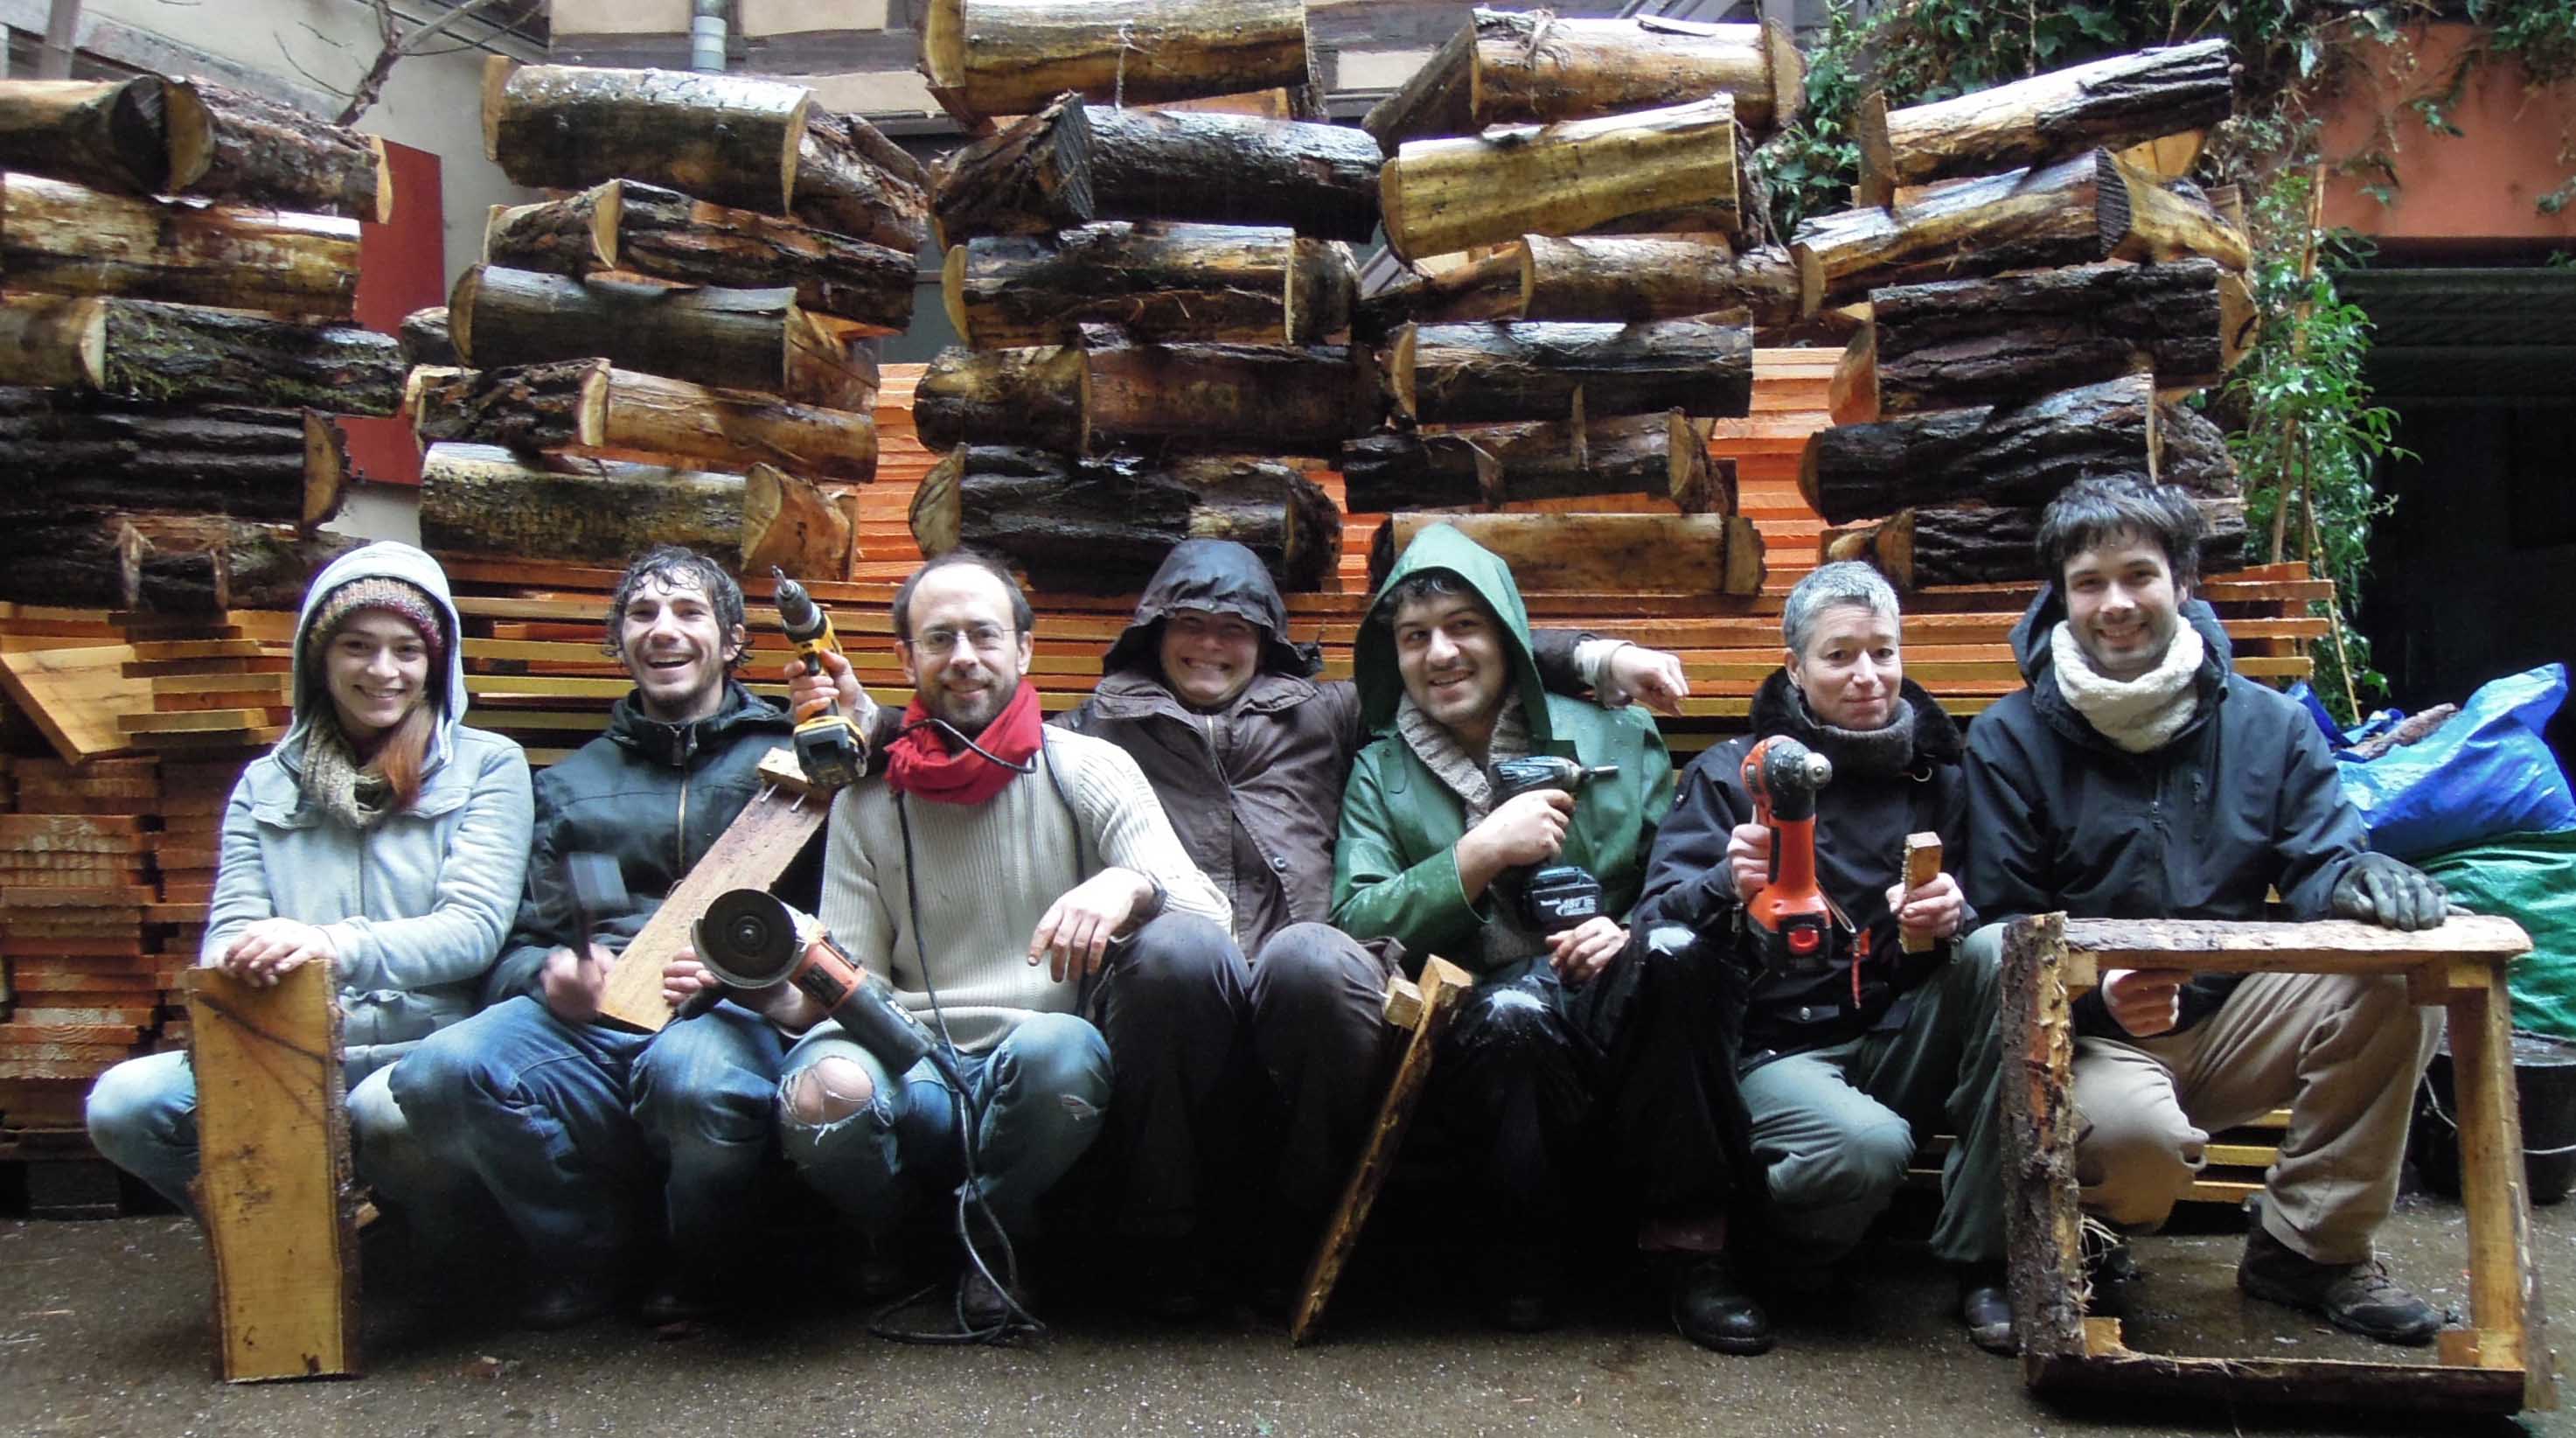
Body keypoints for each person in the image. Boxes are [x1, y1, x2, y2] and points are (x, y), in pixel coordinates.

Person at [1044, 539, 1688, 1295]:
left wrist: (1600, 659)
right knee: (1178, 949)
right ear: (1154, 631)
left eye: (1235, 628)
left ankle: (1308, 1232)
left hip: (1310, 989)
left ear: (1265, 641)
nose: (1210, 644)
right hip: (1171, 991)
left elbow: (1459, 656)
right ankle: (1164, 1235)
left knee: (1313, 954)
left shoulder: (1322, 713)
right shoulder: (1094, 728)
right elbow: (989, 729)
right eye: (1189, 623)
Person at [1964, 477, 2454, 1346]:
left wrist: (2356, 876)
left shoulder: (2271, 726)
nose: (2116, 604)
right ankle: (2084, 1240)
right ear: (2061, 597)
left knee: (2401, 983)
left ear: (2184, 583)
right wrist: (2096, 994)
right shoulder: (2009, 738)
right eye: (2088, 583)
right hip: (2087, 1036)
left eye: (2138, 575)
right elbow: (2000, 921)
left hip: (2232, 1013)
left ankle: (2309, 1252)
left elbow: (2319, 857)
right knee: (2139, 1146)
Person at [770, 548, 1238, 1328]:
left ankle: (993, 1224)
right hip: (912, 1069)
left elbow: (1209, 915)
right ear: (905, 659)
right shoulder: (867, 800)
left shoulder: (1088, 769)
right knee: (821, 1091)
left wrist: (1130, 885)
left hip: (1044, 1079)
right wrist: (770, 992)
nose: (963, 657)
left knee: (1060, 1050)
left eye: (984, 635)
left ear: (1023, 649)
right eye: (939, 638)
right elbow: (856, 981)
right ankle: (892, 1228)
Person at [1330, 523, 1765, 1350]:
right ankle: (1524, 1249)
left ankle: (1693, 1252)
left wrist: (1627, 931)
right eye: (1415, 637)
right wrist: (1475, 856)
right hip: (1486, 1032)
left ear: (1505, 636)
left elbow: (1675, 880)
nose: (1441, 654)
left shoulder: (1613, 734)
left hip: (1622, 1004)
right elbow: (1354, 919)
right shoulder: (1380, 771)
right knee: (1511, 1015)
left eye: (1464, 626)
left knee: (1678, 956)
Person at [392, 545, 840, 1330]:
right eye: (642, 614)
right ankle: (590, 1253)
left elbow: (841, 919)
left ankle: (706, 1266)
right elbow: (520, 946)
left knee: (695, 1081)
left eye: (689, 612)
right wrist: (551, 978)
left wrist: (751, 976)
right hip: (592, 1025)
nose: (664, 629)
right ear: (619, 641)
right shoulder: (570, 785)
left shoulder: (798, 761)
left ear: (733, 641)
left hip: (735, 1010)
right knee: (438, 1073)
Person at [87, 542, 530, 1261]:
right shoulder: (266, 783)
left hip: (423, 1049)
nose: (383, 671)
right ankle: (284, 1241)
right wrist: (242, 959)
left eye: (407, 650)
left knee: (387, 1118)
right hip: (288, 1045)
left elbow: (473, 930)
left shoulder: (487, 766)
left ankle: (429, 1250)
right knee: (125, 1105)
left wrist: (330, 944)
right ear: (319, 657)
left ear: (436, 662)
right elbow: (228, 929)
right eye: (357, 646)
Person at [1633, 561, 2009, 1352]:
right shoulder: (1732, 776)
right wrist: (1723, 884)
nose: (1867, 675)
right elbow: (1652, 930)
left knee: (1999, 950)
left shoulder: (1942, 779)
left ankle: (1987, 1261)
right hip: (1776, 1051)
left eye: (1883, 652)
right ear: (1795, 668)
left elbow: (1992, 914)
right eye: (1839, 656)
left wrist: (1956, 916)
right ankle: (1760, 1251)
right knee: (1865, 1148)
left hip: (1900, 1033)